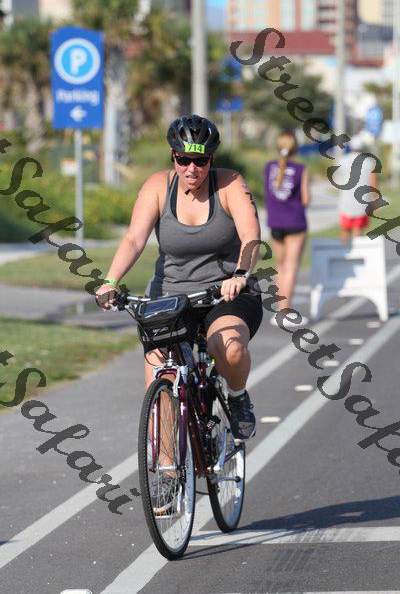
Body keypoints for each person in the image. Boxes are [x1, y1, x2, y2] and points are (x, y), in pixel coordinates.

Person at [96, 115, 263, 443]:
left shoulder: (229, 184)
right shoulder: (158, 187)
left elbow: (251, 238)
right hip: (170, 296)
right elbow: (134, 239)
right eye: (183, 159)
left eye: (200, 161)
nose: (192, 168)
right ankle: (168, 468)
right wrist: (111, 281)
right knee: (162, 383)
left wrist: (240, 274)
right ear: (173, 156)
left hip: (224, 293)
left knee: (228, 349)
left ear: (211, 159)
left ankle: (237, 396)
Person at [264, 131, 311, 327]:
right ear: (295, 148)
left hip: (275, 223)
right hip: (295, 223)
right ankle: (285, 312)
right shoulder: (301, 169)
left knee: (280, 266)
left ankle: (279, 310)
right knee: (291, 267)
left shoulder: (269, 167)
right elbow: (306, 200)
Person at [337, 135, 377, 244]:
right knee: (358, 229)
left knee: (345, 229)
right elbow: (373, 183)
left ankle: (342, 250)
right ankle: (356, 251)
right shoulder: (369, 162)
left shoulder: (342, 160)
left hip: (345, 202)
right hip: (362, 203)